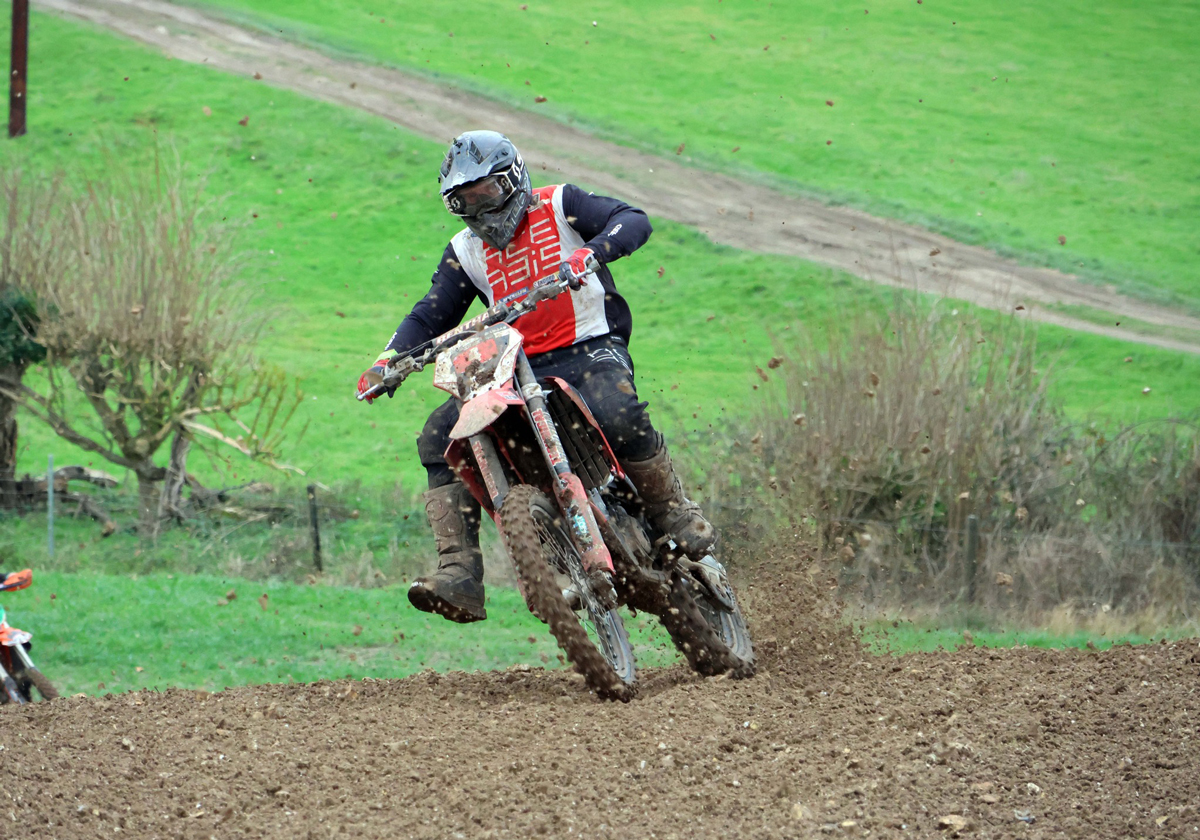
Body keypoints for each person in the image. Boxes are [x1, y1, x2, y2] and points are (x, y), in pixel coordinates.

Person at [357, 130, 714, 624]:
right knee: (439, 436)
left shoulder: (561, 204)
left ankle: (671, 509)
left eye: (487, 194)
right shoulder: (465, 250)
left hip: (591, 347)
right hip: (515, 366)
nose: (481, 211)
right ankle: (459, 573)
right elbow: (432, 312)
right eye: (466, 202)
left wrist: (590, 253)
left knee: (616, 409)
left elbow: (633, 220)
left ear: (514, 179)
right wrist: (388, 360)